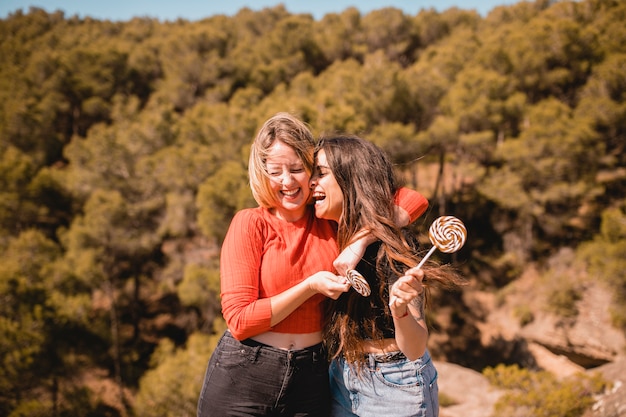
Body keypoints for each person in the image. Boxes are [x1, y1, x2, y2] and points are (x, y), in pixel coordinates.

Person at [196, 113, 429, 417]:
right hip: (246, 373)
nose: (287, 181)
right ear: (261, 174)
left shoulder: (329, 219)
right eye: (275, 172)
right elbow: (240, 321)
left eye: (297, 169)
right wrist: (309, 287)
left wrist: (359, 241)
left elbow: (412, 199)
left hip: (312, 377)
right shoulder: (250, 223)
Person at [309, 135, 464, 417]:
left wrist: (400, 310)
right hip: (341, 374)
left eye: (321, 174)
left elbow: (415, 347)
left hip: (394, 383)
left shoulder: (394, 245)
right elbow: (411, 200)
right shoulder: (329, 231)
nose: (311, 183)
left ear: (350, 178)